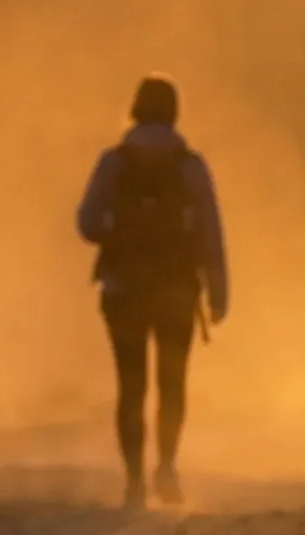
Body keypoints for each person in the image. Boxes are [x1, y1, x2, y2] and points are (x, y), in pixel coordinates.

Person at [74, 75, 229, 511]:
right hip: (177, 290)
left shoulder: (114, 162)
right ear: (175, 113)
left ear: (135, 110)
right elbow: (210, 233)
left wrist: (117, 232)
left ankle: (134, 482)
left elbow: (86, 223)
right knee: (172, 383)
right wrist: (218, 294)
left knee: (131, 385)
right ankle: (167, 469)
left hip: (123, 290)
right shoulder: (190, 166)